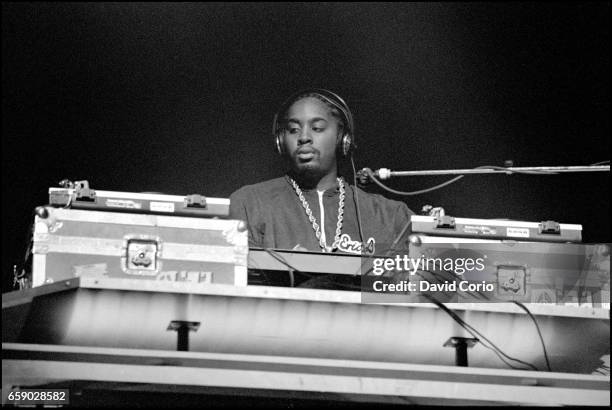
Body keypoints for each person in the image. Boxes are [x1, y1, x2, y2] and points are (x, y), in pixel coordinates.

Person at [229, 89, 414, 286]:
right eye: (293, 130)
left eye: (317, 128)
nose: (304, 138)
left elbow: (438, 287)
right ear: (280, 142)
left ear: (342, 138)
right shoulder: (249, 203)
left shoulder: (392, 216)